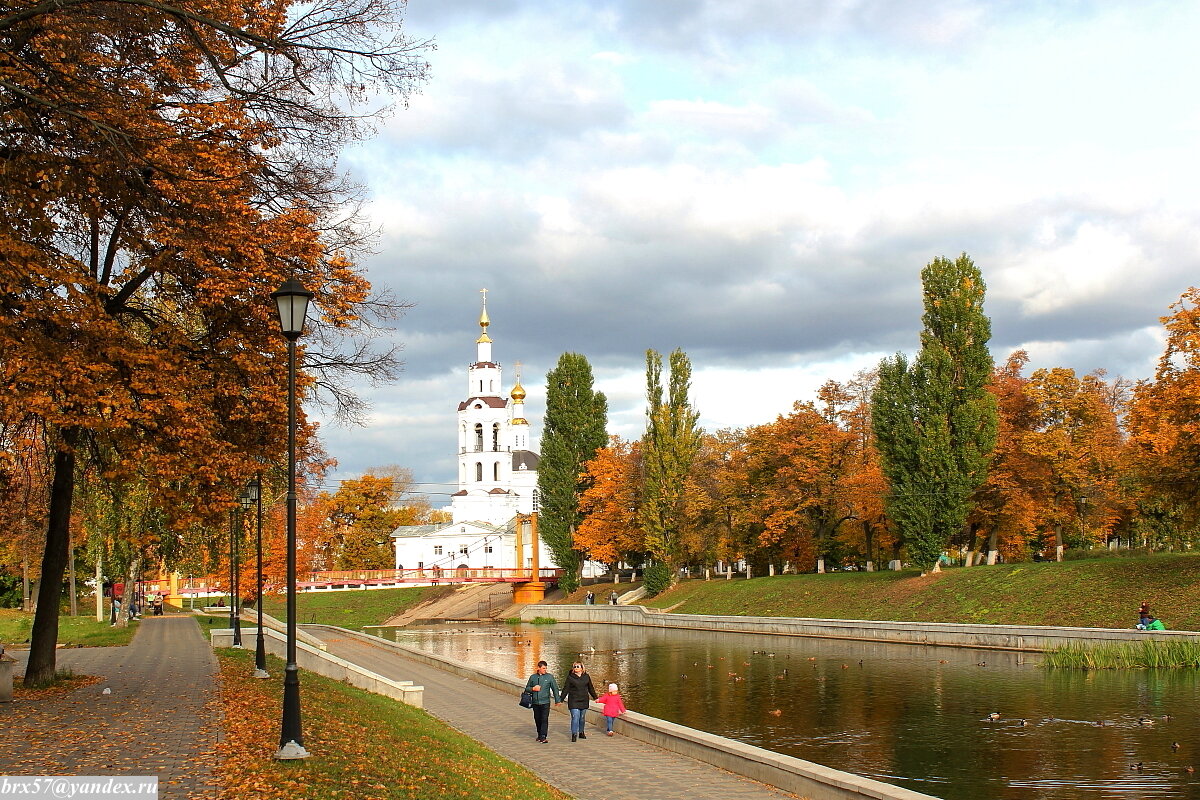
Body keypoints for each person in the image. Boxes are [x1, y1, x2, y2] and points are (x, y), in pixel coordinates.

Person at [524, 660, 561, 743]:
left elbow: (555, 689)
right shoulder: (533, 677)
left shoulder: (549, 677)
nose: (545, 670)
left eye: (546, 668)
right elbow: (527, 688)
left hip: (545, 702)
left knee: (544, 719)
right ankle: (539, 734)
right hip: (535, 702)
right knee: (537, 719)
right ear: (538, 668)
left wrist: (557, 700)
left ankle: (543, 736)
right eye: (543, 668)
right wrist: (533, 689)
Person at [562, 661, 598, 742]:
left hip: (584, 700)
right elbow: (566, 689)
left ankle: (581, 732)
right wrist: (560, 699)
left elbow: (590, 688)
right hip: (574, 700)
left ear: (582, 668)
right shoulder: (570, 677)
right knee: (575, 717)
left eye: (578, 666)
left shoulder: (586, 677)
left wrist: (595, 697)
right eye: (574, 667)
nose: (576, 668)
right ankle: (574, 734)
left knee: (582, 718)